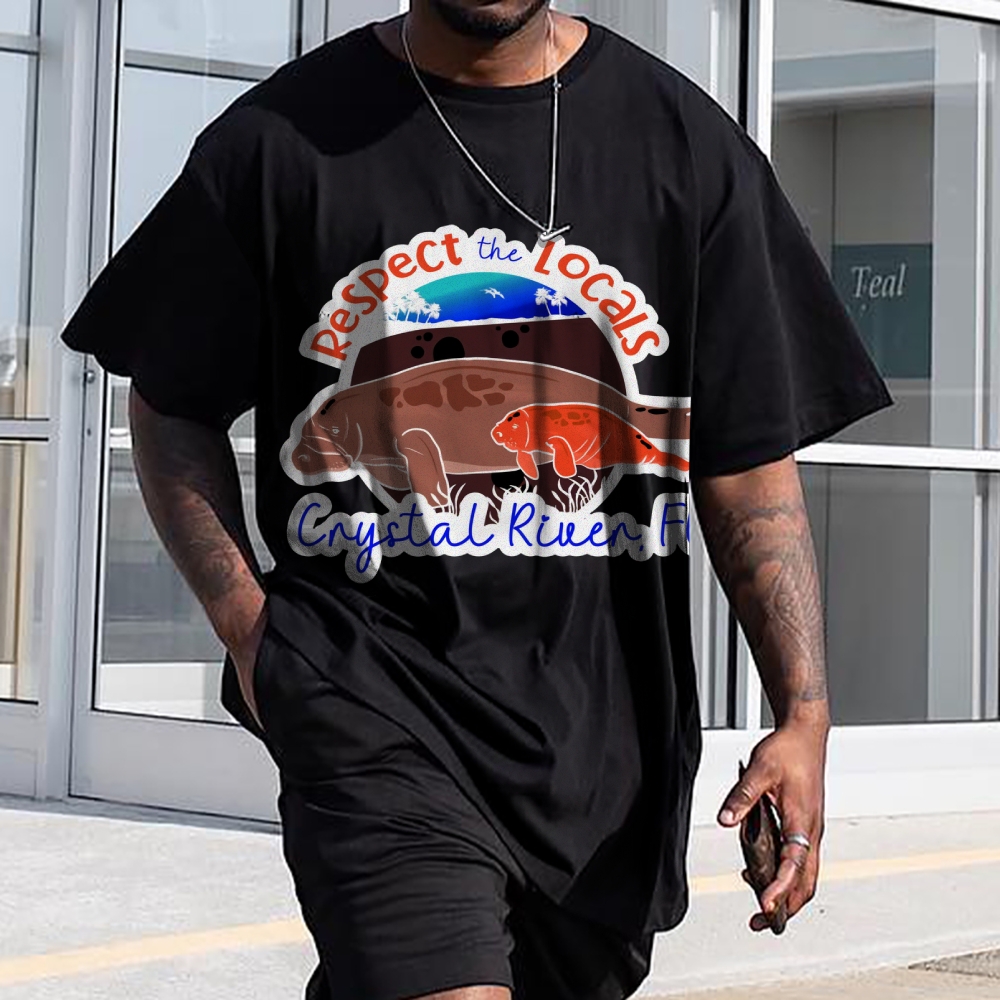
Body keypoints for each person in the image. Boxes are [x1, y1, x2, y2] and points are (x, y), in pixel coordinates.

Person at [60, 2, 893, 999]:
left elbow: (748, 465)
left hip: (602, 751)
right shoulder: (281, 141)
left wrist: (804, 715)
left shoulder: (683, 144)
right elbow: (170, 404)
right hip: (370, 696)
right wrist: (253, 633)